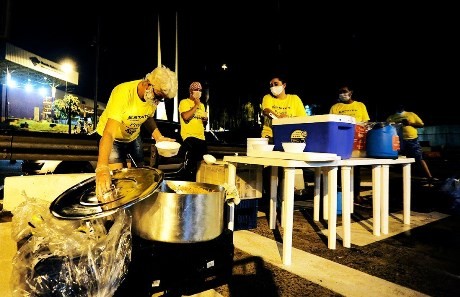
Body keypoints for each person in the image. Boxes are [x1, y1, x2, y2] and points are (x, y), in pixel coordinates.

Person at [95, 65, 178, 199]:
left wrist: (159, 137)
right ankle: (117, 214)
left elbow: (147, 117)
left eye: (162, 99)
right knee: (117, 180)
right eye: (158, 96)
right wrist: (102, 167)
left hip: (133, 136)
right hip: (113, 139)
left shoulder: (151, 98)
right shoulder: (123, 93)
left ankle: (137, 208)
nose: (158, 102)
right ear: (148, 84)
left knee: (141, 175)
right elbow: (109, 133)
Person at [329, 85, 370, 205]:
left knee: (356, 169)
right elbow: (332, 124)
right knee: (340, 168)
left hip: (357, 140)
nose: (342, 94)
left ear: (351, 92)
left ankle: (356, 194)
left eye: (345, 91)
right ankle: (341, 195)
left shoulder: (360, 105)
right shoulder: (335, 107)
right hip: (341, 141)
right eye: (340, 92)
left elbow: (365, 123)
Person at [386, 104, 436, 182]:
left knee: (419, 158)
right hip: (397, 141)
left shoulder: (411, 114)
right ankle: (400, 178)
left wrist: (410, 124)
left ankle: (429, 177)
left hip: (412, 140)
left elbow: (421, 124)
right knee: (396, 158)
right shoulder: (391, 117)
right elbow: (387, 128)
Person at [261, 75, 307, 142]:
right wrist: (279, 118)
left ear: (284, 85)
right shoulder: (267, 97)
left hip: (289, 136)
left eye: (276, 84)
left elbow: (302, 118)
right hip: (269, 136)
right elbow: (266, 111)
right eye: (271, 85)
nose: (273, 87)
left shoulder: (294, 99)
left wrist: (287, 119)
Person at [178, 81, 208, 180]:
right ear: (191, 91)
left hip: (201, 139)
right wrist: (195, 105)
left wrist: (205, 121)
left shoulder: (202, 105)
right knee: (190, 168)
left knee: (201, 168)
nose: (198, 92)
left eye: (200, 90)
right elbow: (185, 117)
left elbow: (202, 123)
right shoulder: (184, 102)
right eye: (196, 90)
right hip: (190, 138)